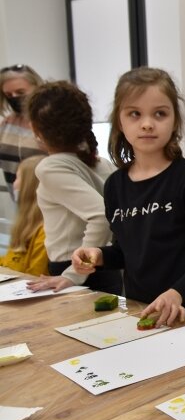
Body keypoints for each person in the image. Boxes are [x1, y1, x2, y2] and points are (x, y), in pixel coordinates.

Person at [71, 67, 185, 326]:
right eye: (135, 114)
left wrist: (176, 293)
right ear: (120, 122)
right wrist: (99, 256)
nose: (147, 123)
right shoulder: (114, 186)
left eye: (160, 114)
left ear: (175, 120)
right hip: (140, 311)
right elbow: (127, 251)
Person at [23, 81, 122, 294]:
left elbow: (100, 215)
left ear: (35, 128)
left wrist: (73, 274)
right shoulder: (100, 163)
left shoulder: (51, 167)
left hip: (77, 270)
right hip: (104, 269)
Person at [0, 64, 47, 198]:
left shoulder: (52, 122)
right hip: (21, 205)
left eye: (20, 92)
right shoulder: (7, 124)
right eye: (8, 95)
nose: (14, 98)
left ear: (37, 88)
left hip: (50, 203)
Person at [0, 155, 48, 275]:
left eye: (17, 177)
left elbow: (34, 276)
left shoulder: (45, 230)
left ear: (30, 185)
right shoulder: (24, 225)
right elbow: (9, 262)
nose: (14, 183)